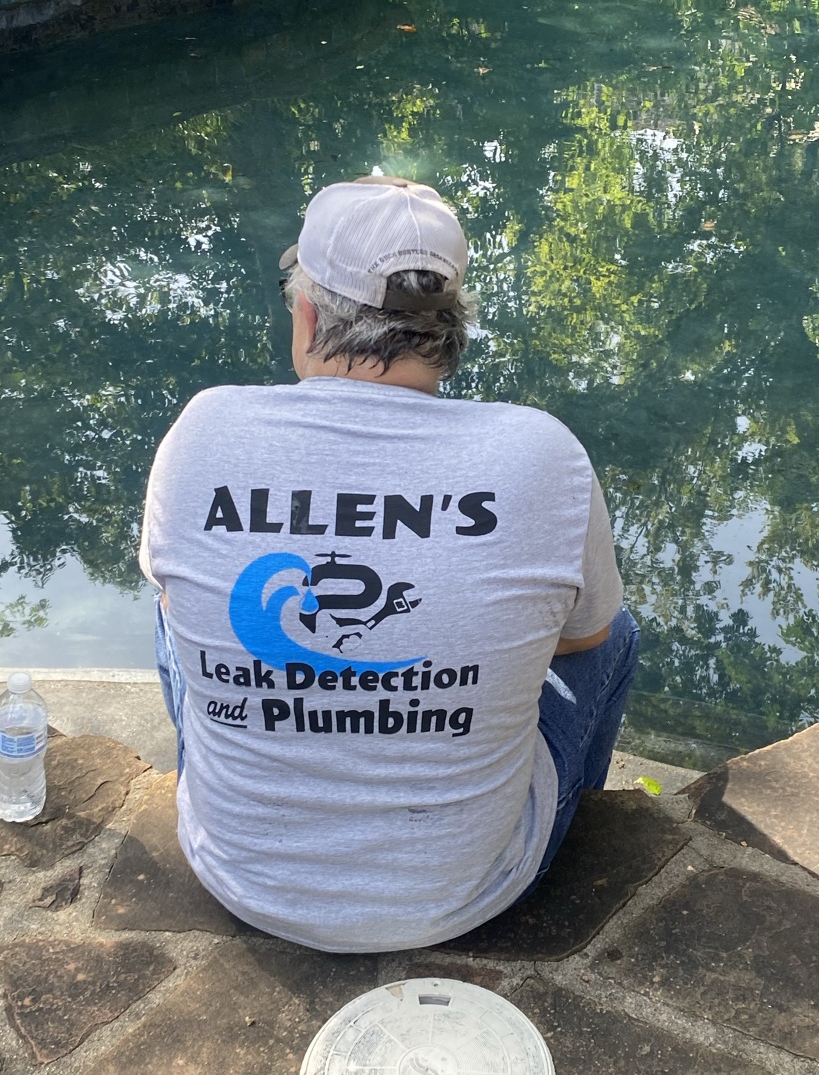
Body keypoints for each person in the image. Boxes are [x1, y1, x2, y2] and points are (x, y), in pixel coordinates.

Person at [139, 174, 639, 952]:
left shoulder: (203, 432)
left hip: (240, 876)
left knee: (170, 602)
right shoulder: (541, 453)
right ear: (451, 324)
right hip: (468, 892)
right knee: (615, 629)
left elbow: (184, 607)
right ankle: (572, 813)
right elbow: (583, 641)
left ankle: (254, 789)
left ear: (307, 314)